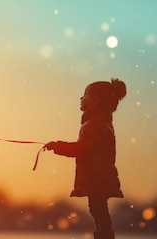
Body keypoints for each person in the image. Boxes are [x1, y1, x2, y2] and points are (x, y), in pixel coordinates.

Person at [44, 78, 126, 239]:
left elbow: (82, 148)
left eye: (84, 95)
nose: (81, 99)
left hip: (98, 177)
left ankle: (104, 236)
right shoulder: (100, 122)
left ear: (95, 101)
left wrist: (58, 146)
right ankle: (103, 235)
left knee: (98, 209)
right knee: (97, 208)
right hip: (99, 176)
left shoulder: (95, 125)